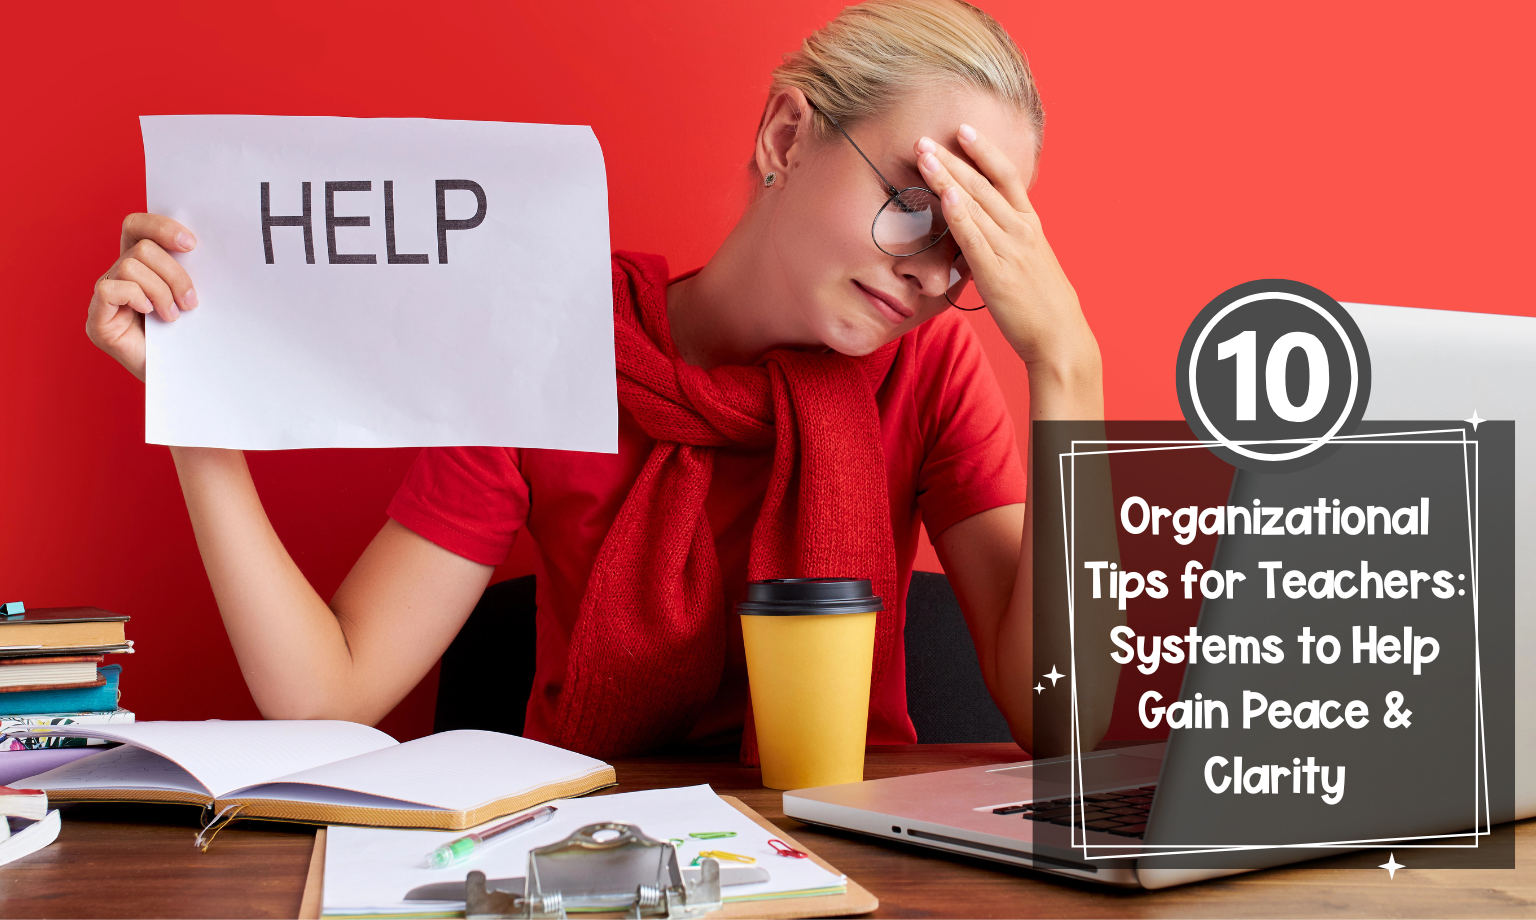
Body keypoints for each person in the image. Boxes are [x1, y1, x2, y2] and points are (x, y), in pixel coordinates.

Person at [85, 0, 1107, 759]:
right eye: (920, 206)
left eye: (972, 248)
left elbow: (1060, 722)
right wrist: (197, 402)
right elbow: (328, 691)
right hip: (592, 857)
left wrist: (1067, 365)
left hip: (853, 855)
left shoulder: (927, 369)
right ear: (788, 135)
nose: (931, 270)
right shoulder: (550, 326)